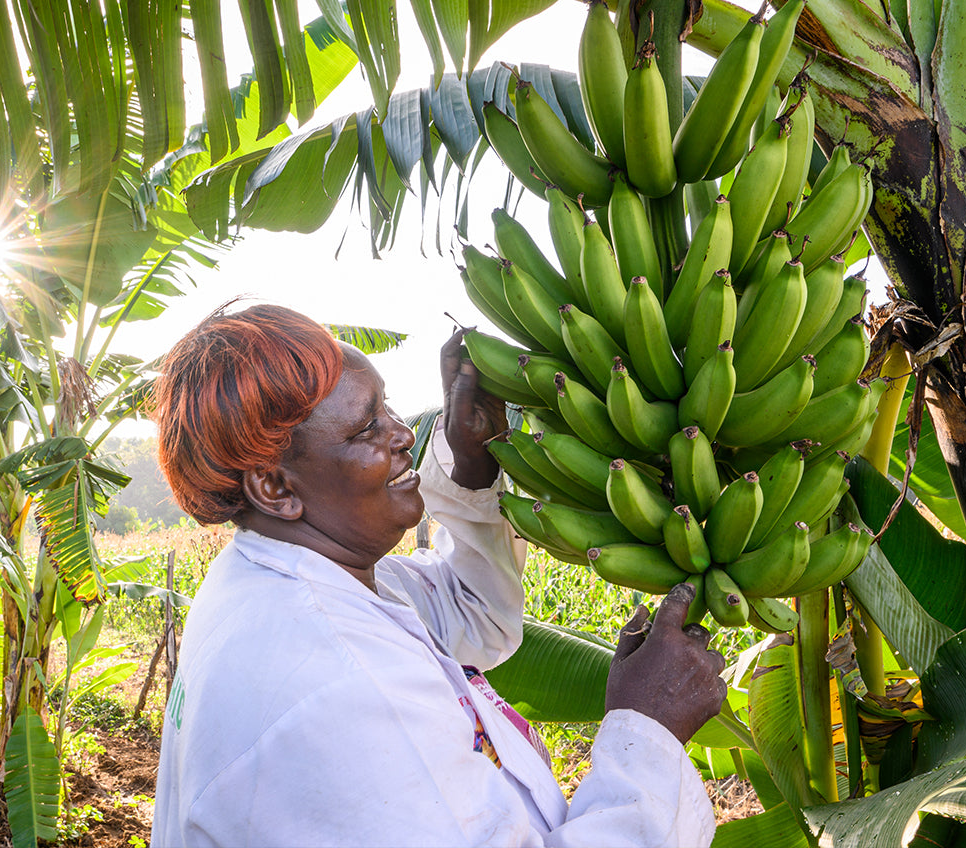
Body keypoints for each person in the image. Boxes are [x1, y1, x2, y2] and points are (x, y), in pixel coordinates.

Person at [149, 302, 728, 847]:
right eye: (365, 428)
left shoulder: (299, 581)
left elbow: (475, 616)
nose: (402, 433)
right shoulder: (334, 685)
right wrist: (648, 733)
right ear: (275, 488)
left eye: (387, 407)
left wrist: (471, 465)